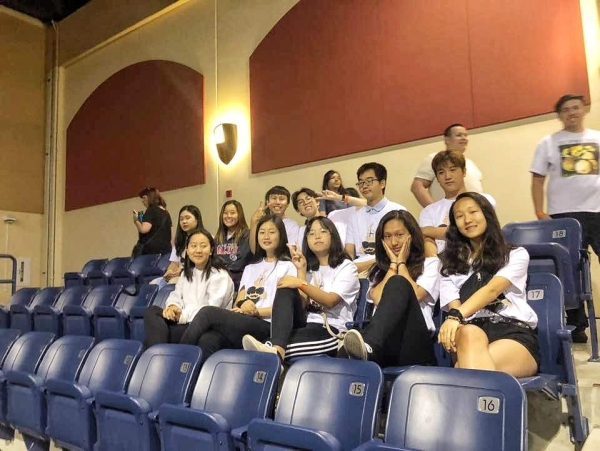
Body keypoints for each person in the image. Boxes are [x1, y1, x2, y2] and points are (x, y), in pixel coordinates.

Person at [438, 193, 540, 377]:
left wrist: (455, 316)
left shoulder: (514, 254)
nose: (467, 220)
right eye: (459, 216)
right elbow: (455, 308)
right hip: (468, 335)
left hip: (511, 333)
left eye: (473, 212)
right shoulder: (449, 266)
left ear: (487, 214)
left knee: (466, 370)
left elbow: (491, 290)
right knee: (469, 332)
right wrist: (456, 318)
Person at [530, 94, 600, 343]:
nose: (572, 112)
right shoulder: (548, 143)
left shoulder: (597, 138)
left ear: (584, 109)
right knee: (570, 270)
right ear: (559, 115)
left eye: (576, 107)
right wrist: (540, 211)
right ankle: (577, 326)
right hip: (563, 215)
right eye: (566, 109)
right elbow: (537, 179)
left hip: (597, 212)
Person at [179, 215, 296, 362]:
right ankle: (194, 374)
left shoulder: (288, 266)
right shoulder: (250, 268)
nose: (266, 236)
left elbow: (285, 308)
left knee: (207, 312)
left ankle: (178, 358)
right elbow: (238, 302)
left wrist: (256, 311)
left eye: (271, 232)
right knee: (208, 339)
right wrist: (243, 304)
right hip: (245, 321)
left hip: (267, 323)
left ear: (281, 235)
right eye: (262, 232)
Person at [243, 217, 359, 361]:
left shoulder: (346, 267)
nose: (317, 236)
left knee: (263, 351)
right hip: (304, 324)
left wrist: (300, 283)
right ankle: (276, 350)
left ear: (333, 236)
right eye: (311, 233)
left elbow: (330, 301)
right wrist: (302, 270)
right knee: (286, 288)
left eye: (323, 231)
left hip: (330, 329)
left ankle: (276, 353)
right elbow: (302, 305)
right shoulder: (308, 268)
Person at [339, 210, 439, 367]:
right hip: (383, 344)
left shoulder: (430, 264)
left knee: (398, 282)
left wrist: (401, 263)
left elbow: (416, 294)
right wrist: (393, 264)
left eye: (399, 235)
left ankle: (370, 347)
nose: (394, 242)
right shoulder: (378, 270)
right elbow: (379, 299)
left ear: (412, 235)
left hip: (414, 342)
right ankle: (369, 348)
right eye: (387, 236)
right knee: (344, 353)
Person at [143, 227, 234, 348]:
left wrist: (181, 315)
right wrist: (172, 307)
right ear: (187, 250)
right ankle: (161, 350)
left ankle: (161, 351)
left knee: (151, 338)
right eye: (193, 246)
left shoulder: (220, 275)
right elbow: (176, 295)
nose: (198, 250)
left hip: (206, 327)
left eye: (203, 246)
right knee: (152, 311)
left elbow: (210, 312)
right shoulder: (187, 273)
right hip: (184, 321)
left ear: (211, 250)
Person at [419, 150, 496, 253]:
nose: (447, 176)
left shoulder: (483, 200)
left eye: (452, 170)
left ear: (464, 171)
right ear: (437, 178)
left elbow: (474, 230)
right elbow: (427, 240)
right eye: (441, 172)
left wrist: (428, 230)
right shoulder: (429, 211)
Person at [345, 162, 405, 276]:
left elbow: (403, 250)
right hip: (359, 273)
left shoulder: (398, 211)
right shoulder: (354, 218)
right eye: (361, 182)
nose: (364, 186)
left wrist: (367, 264)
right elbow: (349, 254)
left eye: (369, 181)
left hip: (389, 269)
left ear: (382, 183)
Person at [410, 124, 484, 207]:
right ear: (447, 140)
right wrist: (435, 210)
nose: (463, 138)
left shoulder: (471, 163)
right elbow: (417, 186)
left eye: (465, 135)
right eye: (459, 135)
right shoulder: (435, 159)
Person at [151, 205, 203, 288]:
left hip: (196, 276)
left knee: (172, 282)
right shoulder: (179, 241)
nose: (184, 221)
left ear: (197, 219)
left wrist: (182, 271)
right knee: (153, 283)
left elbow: (202, 265)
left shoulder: (205, 239)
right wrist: (170, 272)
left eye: (187, 218)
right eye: (181, 219)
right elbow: (174, 263)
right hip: (180, 275)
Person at [214, 200, 252, 291]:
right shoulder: (218, 237)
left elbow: (240, 261)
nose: (228, 216)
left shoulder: (247, 235)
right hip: (219, 282)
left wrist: (223, 268)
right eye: (225, 213)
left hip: (238, 283)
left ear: (239, 215)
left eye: (232, 213)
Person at [249, 186, 300, 252]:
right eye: (274, 198)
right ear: (267, 202)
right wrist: (253, 222)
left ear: (287, 204)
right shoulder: (261, 223)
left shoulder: (292, 225)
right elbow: (254, 250)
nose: (277, 202)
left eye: (281, 199)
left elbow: (291, 251)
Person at [132, 187, 172, 256]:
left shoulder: (151, 210)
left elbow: (144, 229)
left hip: (151, 252)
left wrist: (136, 221)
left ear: (149, 197)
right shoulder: (166, 213)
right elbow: (170, 232)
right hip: (166, 250)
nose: (142, 201)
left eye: (144, 198)